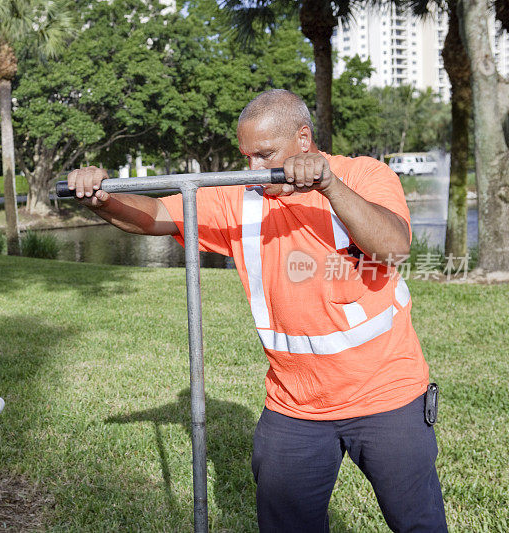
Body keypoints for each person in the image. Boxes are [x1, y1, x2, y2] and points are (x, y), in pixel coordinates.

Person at [67, 89, 447, 532]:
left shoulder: (362, 174)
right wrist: (102, 199)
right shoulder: (239, 196)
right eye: (245, 156)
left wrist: (329, 186)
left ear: (303, 139)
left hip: (388, 396)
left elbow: (394, 247)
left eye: (263, 154)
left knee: (418, 523)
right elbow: (154, 215)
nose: (252, 169)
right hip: (295, 406)